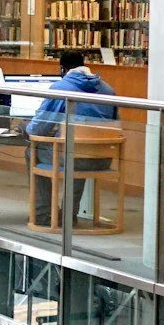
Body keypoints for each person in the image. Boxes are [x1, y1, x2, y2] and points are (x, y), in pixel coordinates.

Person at [26, 50, 117, 226]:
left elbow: (38, 128)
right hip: (103, 158)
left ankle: (42, 215)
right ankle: (69, 215)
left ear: (63, 69)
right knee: (79, 149)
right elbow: (113, 125)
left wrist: (25, 128)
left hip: (73, 157)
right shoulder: (108, 90)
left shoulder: (61, 88)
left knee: (34, 151)